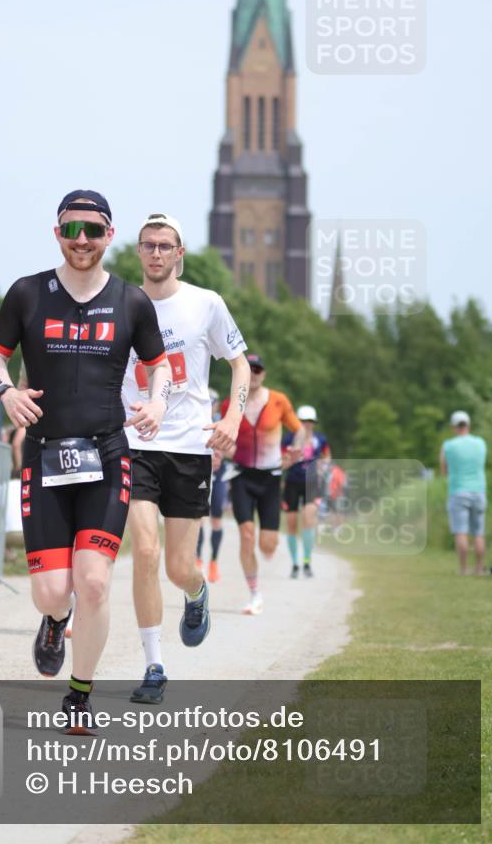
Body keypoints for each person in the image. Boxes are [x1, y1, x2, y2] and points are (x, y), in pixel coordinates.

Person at [0, 191, 170, 733]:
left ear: (110, 234)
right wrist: (6, 393)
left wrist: (157, 400)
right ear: (57, 233)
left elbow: (159, 367)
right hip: (45, 456)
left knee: (94, 582)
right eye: (72, 230)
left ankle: (79, 695)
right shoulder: (26, 293)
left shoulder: (133, 302)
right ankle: (53, 621)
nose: (82, 240)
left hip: (108, 454)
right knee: (53, 591)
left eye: (93, 230)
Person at [123, 213, 249, 704]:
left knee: (178, 566)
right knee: (146, 551)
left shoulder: (205, 304)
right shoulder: (119, 302)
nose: (155, 253)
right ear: (138, 252)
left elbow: (239, 364)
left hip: (190, 447)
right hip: (134, 443)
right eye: (147, 245)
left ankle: (196, 593)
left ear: (179, 254)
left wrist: (233, 420)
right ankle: (154, 664)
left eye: (165, 245)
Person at [222, 356, 304, 614]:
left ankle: (268, 546)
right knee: (247, 535)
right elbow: (220, 437)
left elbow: (299, 430)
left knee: (267, 544)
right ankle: (254, 594)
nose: (254, 374)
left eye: (258, 370)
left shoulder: (278, 400)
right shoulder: (230, 403)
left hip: (270, 478)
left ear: (264, 374)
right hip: (241, 476)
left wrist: (296, 451)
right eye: (250, 369)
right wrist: (224, 451)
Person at [281, 405, 330, 579]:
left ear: (313, 423)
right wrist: (289, 459)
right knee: (292, 523)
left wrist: (323, 467)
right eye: (302, 421)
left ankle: (307, 561)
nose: (306, 424)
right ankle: (295, 563)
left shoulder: (320, 439)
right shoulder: (288, 439)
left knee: (308, 519)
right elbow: (282, 461)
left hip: (312, 483)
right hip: (292, 482)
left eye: (309, 421)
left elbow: (327, 456)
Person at [440, 411, 487, 576]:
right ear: (468, 425)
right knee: (478, 533)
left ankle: (463, 569)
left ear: (454, 427)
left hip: (458, 492)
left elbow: (443, 471)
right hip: (479, 491)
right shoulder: (480, 443)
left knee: (461, 532)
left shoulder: (448, 446)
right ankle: (480, 569)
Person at [196, 390, 228, 583]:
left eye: (214, 402)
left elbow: (232, 447)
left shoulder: (222, 422)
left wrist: (221, 454)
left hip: (219, 474)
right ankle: (198, 560)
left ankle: (214, 562)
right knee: (199, 517)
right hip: (201, 473)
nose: (211, 405)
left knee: (217, 519)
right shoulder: (198, 419)